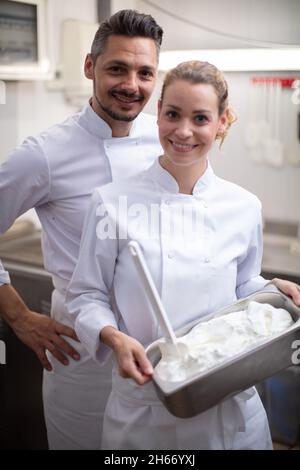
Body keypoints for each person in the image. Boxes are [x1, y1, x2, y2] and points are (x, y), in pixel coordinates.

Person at [67, 60, 300, 450]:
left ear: (222, 122)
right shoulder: (111, 203)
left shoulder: (243, 206)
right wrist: (114, 338)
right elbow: (85, 294)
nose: (184, 131)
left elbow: (243, 285)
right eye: (173, 114)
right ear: (157, 113)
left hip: (232, 417)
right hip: (144, 417)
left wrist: (271, 290)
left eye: (201, 118)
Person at [0, 10, 163, 449]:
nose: (132, 84)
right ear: (90, 67)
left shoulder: (163, 138)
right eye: (117, 68)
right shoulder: (45, 154)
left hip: (160, 351)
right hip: (84, 358)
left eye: (144, 72)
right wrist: (17, 316)